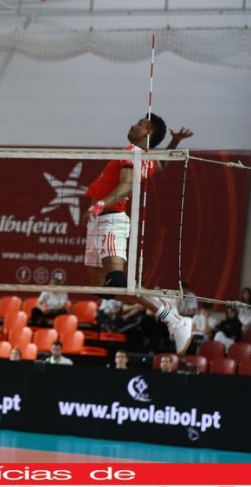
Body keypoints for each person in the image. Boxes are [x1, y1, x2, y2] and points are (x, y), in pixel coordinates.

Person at [81, 113, 194, 355]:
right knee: (104, 290)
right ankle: (161, 304)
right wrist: (174, 141)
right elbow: (163, 164)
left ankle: (174, 319)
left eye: (140, 124)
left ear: (147, 132)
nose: (133, 125)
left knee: (118, 282)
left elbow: (126, 186)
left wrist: (100, 204)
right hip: (99, 222)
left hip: (110, 219)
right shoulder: (147, 158)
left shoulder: (132, 151)